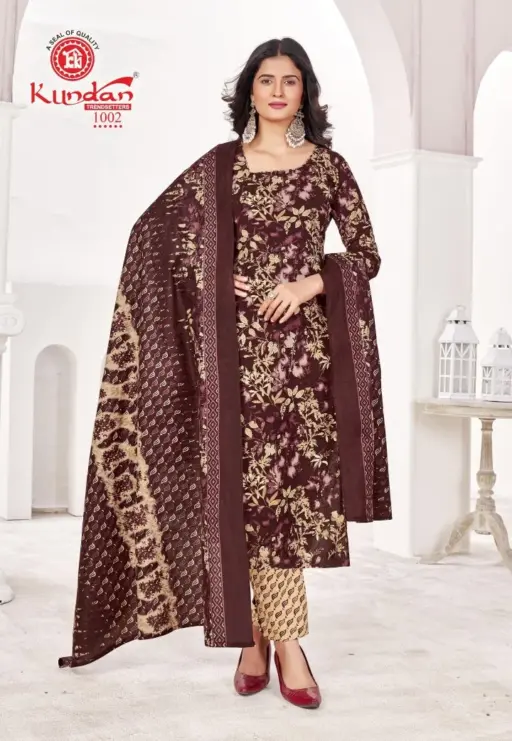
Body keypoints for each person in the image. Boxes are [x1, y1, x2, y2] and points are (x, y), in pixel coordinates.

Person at [59, 37, 391, 711]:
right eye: (266, 80)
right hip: (234, 358)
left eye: (290, 81)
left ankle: (261, 640)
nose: (278, 91)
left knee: (285, 500)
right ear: (249, 92)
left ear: (305, 93)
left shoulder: (329, 168)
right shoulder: (220, 166)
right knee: (249, 499)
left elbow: (365, 255)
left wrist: (307, 285)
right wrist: (213, 275)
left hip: (306, 364)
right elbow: (153, 235)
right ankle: (281, 643)